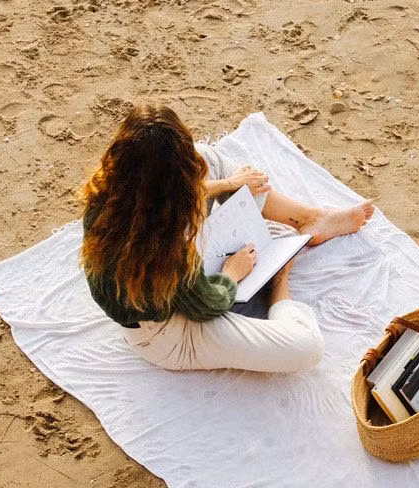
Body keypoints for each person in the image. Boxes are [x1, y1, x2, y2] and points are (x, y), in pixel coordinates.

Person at [80, 103, 374, 372]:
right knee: (305, 348)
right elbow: (207, 305)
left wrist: (229, 184)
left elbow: (172, 191)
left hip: (165, 277)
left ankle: (310, 218)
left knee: (204, 157)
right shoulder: (166, 252)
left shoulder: (109, 195)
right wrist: (232, 274)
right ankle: (278, 282)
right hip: (166, 331)